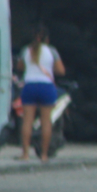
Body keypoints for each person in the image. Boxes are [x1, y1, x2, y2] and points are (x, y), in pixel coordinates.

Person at [18, 24, 65, 161]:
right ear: (47, 39)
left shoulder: (26, 50)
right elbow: (61, 70)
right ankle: (44, 155)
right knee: (46, 122)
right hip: (46, 88)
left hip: (29, 86)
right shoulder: (52, 51)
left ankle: (25, 154)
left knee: (27, 121)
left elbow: (20, 67)